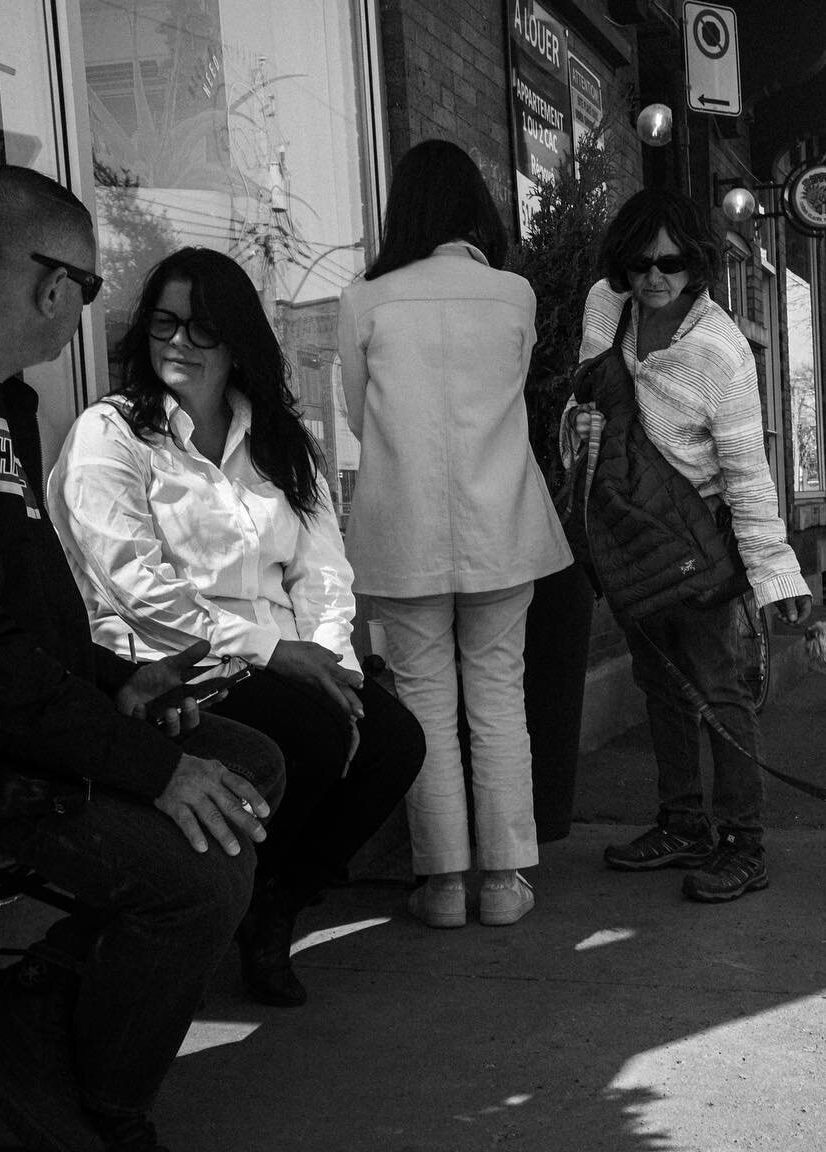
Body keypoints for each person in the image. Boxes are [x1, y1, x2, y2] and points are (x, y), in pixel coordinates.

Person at [0, 166, 284, 1151]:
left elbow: (8, 627)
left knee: (249, 761)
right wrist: (150, 768)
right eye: (89, 288)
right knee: (198, 879)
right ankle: (102, 1109)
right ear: (50, 285)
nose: (86, 312)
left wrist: (123, 684)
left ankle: (34, 1001)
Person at [47, 246, 425, 1006]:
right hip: (170, 666)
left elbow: (322, 569)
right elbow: (133, 582)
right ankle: (241, 908)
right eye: (164, 323)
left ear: (239, 339)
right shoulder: (112, 433)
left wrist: (330, 662)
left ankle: (275, 903)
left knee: (392, 742)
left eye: (201, 328)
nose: (179, 343)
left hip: (286, 659)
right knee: (312, 734)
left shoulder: (280, 441)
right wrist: (271, 653)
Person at [336, 139, 573, 929]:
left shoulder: (364, 299)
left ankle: (441, 886)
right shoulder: (514, 296)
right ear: (475, 207)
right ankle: (504, 883)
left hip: (401, 528)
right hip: (501, 522)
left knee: (425, 704)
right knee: (502, 700)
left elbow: (354, 409)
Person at [564, 187, 813, 904]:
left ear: (696, 263)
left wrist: (778, 574)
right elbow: (587, 401)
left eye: (670, 263)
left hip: (701, 543)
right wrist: (578, 424)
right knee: (660, 688)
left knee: (721, 692)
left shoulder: (721, 349)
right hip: (632, 540)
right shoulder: (606, 312)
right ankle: (682, 823)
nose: (654, 277)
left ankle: (744, 843)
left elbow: (747, 469)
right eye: (639, 263)